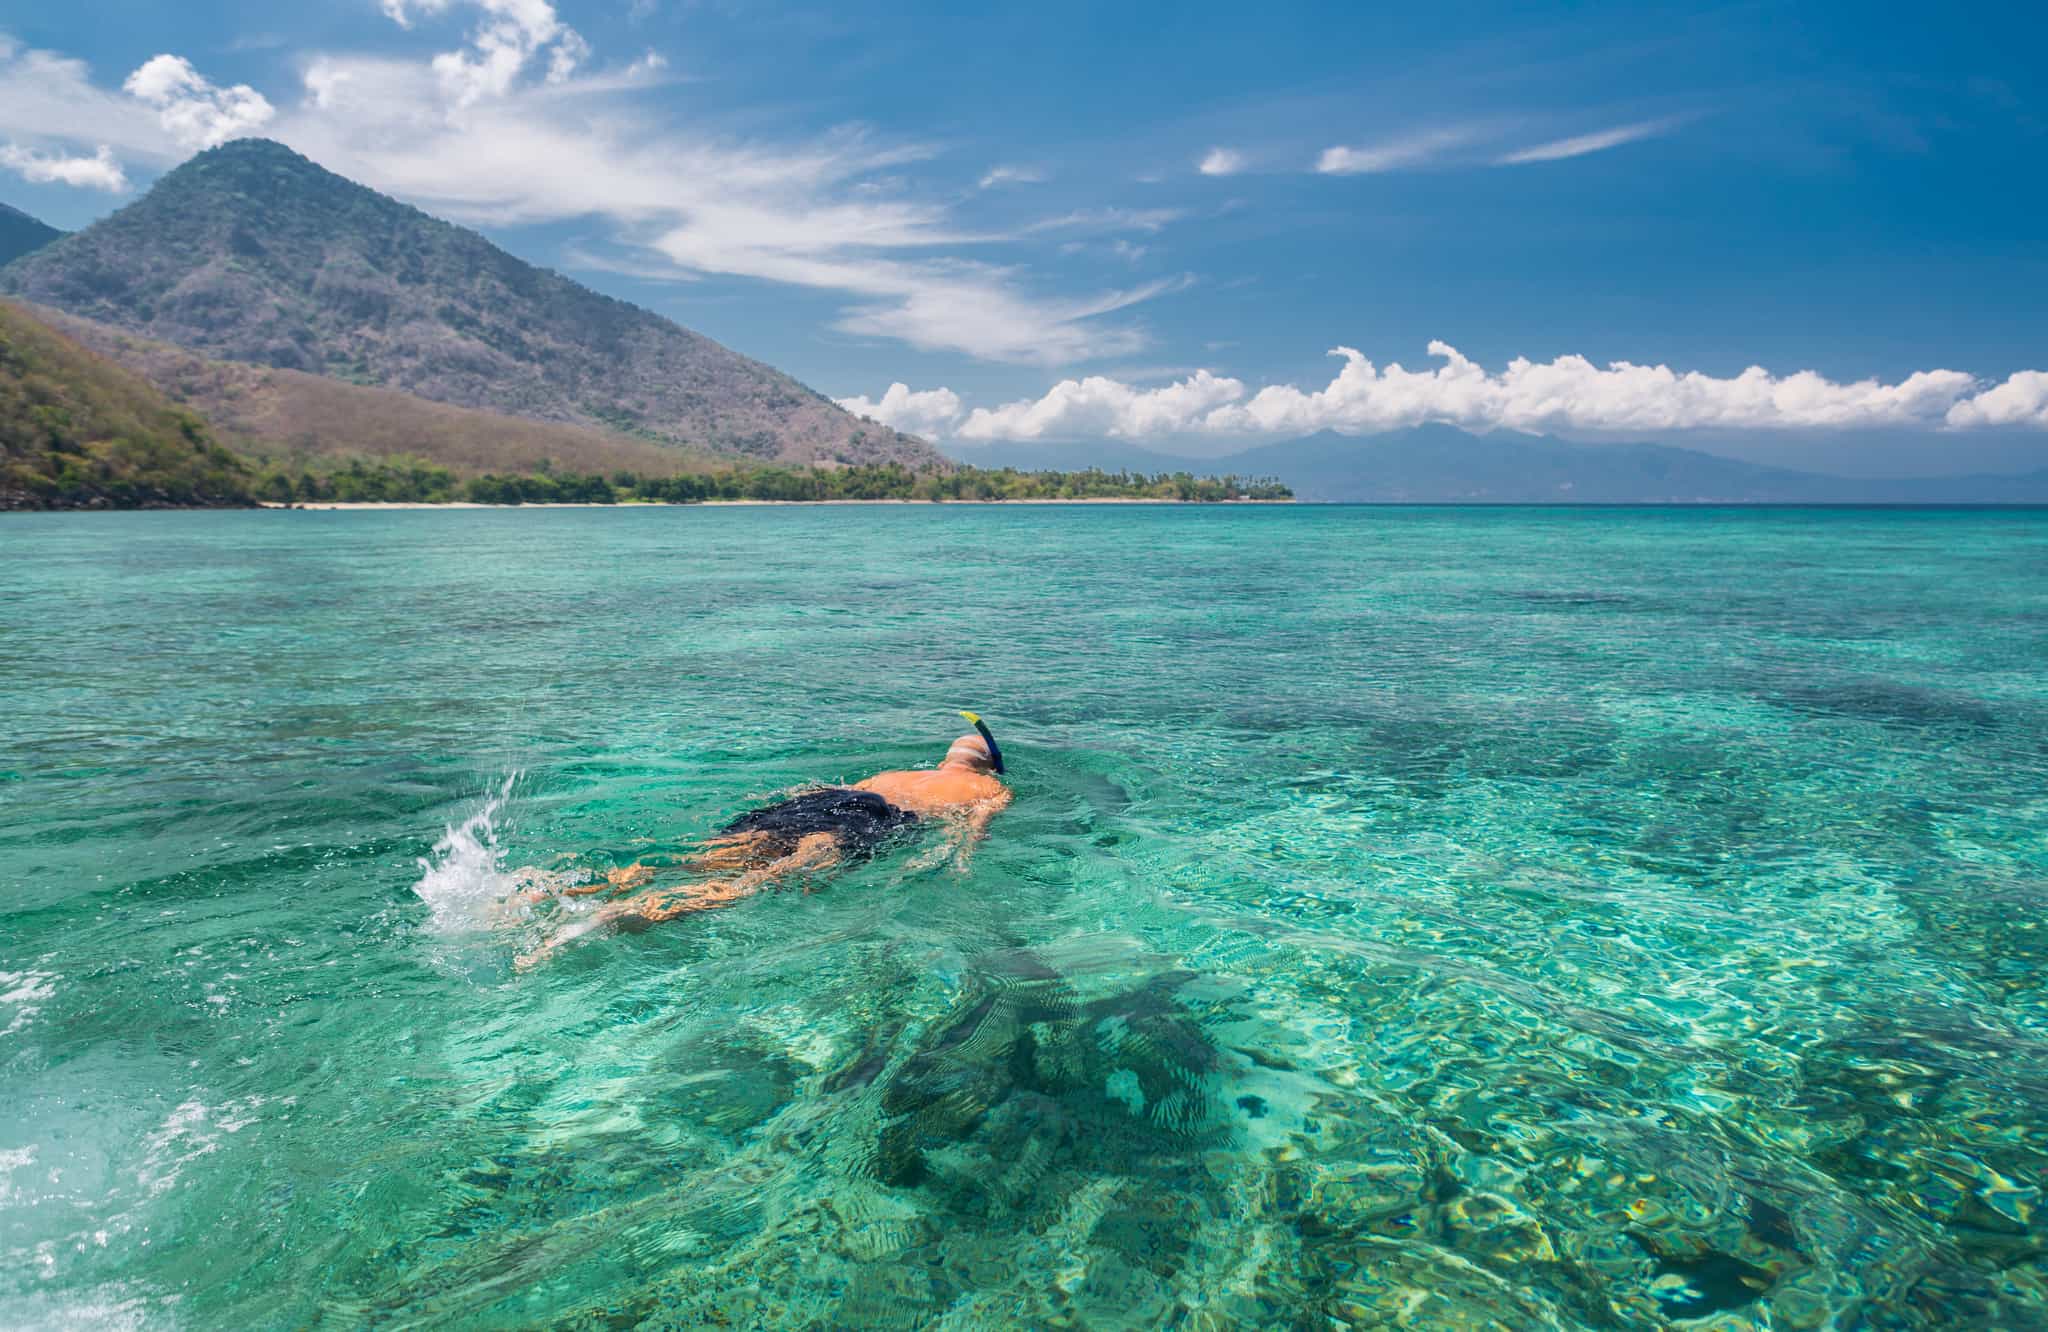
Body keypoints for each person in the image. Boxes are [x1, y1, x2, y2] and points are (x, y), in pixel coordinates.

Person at [514, 715, 1012, 965]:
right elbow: (970, 831)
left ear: (947, 754)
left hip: (821, 801)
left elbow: (821, 794)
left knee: (704, 857)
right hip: (878, 820)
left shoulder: (892, 770)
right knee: (768, 879)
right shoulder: (989, 788)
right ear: (986, 765)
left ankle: (570, 888)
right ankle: (636, 913)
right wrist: (958, 865)